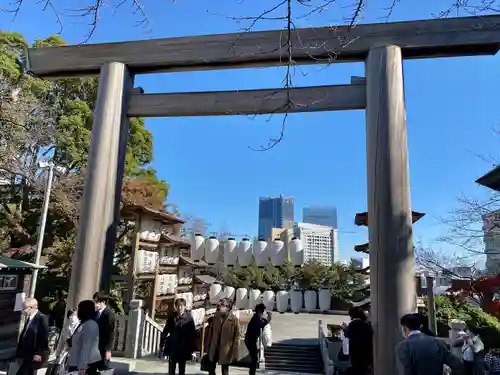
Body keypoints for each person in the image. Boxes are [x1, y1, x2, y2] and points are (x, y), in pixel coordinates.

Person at [396, 313, 464, 375]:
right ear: (420, 327)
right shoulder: (438, 342)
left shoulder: (403, 346)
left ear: (405, 328)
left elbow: (405, 371)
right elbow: (458, 365)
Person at [204, 298, 240, 375]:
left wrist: (235, 351)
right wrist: (207, 346)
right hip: (214, 347)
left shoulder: (234, 320)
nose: (221, 307)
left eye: (223, 305)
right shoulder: (215, 318)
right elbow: (210, 333)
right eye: (220, 305)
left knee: (225, 370)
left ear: (228, 307)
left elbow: (236, 337)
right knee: (211, 369)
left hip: (226, 349)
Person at [161, 298, 196, 375]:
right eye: (178, 306)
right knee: (171, 368)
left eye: (181, 306)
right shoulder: (172, 317)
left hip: (183, 346)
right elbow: (166, 330)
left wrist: (193, 349)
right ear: (176, 307)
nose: (180, 308)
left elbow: (193, 334)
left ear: (184, 306)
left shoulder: (189, 318)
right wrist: (162, 342)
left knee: (182, 368)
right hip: (173, 345)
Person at [15, 298, 50, 375]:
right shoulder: (30, 318)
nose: (23, 310)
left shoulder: (41, 318)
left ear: (31, 308)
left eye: (24, 308)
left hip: (33, 354)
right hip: (26, 354)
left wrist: (38, 353)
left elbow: (43, 337)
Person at [67, 300, 101, 375]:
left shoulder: (90, 325)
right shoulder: (84, 323)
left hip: (85, 363)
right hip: (77, 360)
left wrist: (83, 366)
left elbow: (87, 346)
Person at [341, 306, 373, 375]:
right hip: (368, 353)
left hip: (356, 353)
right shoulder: (368, 324)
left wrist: (345, 329)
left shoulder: (353, 325)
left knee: (357, 369)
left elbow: (349, 336)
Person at [244, 303, 272, 375]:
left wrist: (269, 317)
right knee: (254, 358)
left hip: (251, 340)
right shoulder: (255, 319)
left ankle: (252, 372)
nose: (262, 313)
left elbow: (264, 322)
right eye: (262, 312)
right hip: (250, 340)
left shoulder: (257, 318)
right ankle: (252, 373)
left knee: (254, 358)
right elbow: (262, 324)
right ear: (259, 311)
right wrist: (268, 317)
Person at [93, 292, 116, 370]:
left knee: (103, 369)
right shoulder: (95, 314)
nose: (95, 304)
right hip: (94, 348)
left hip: (104, 348)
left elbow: (111, 333)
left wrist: (108, 349)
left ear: (103, 302)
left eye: (97, 302)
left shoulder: (109, 315)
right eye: (94, 302)